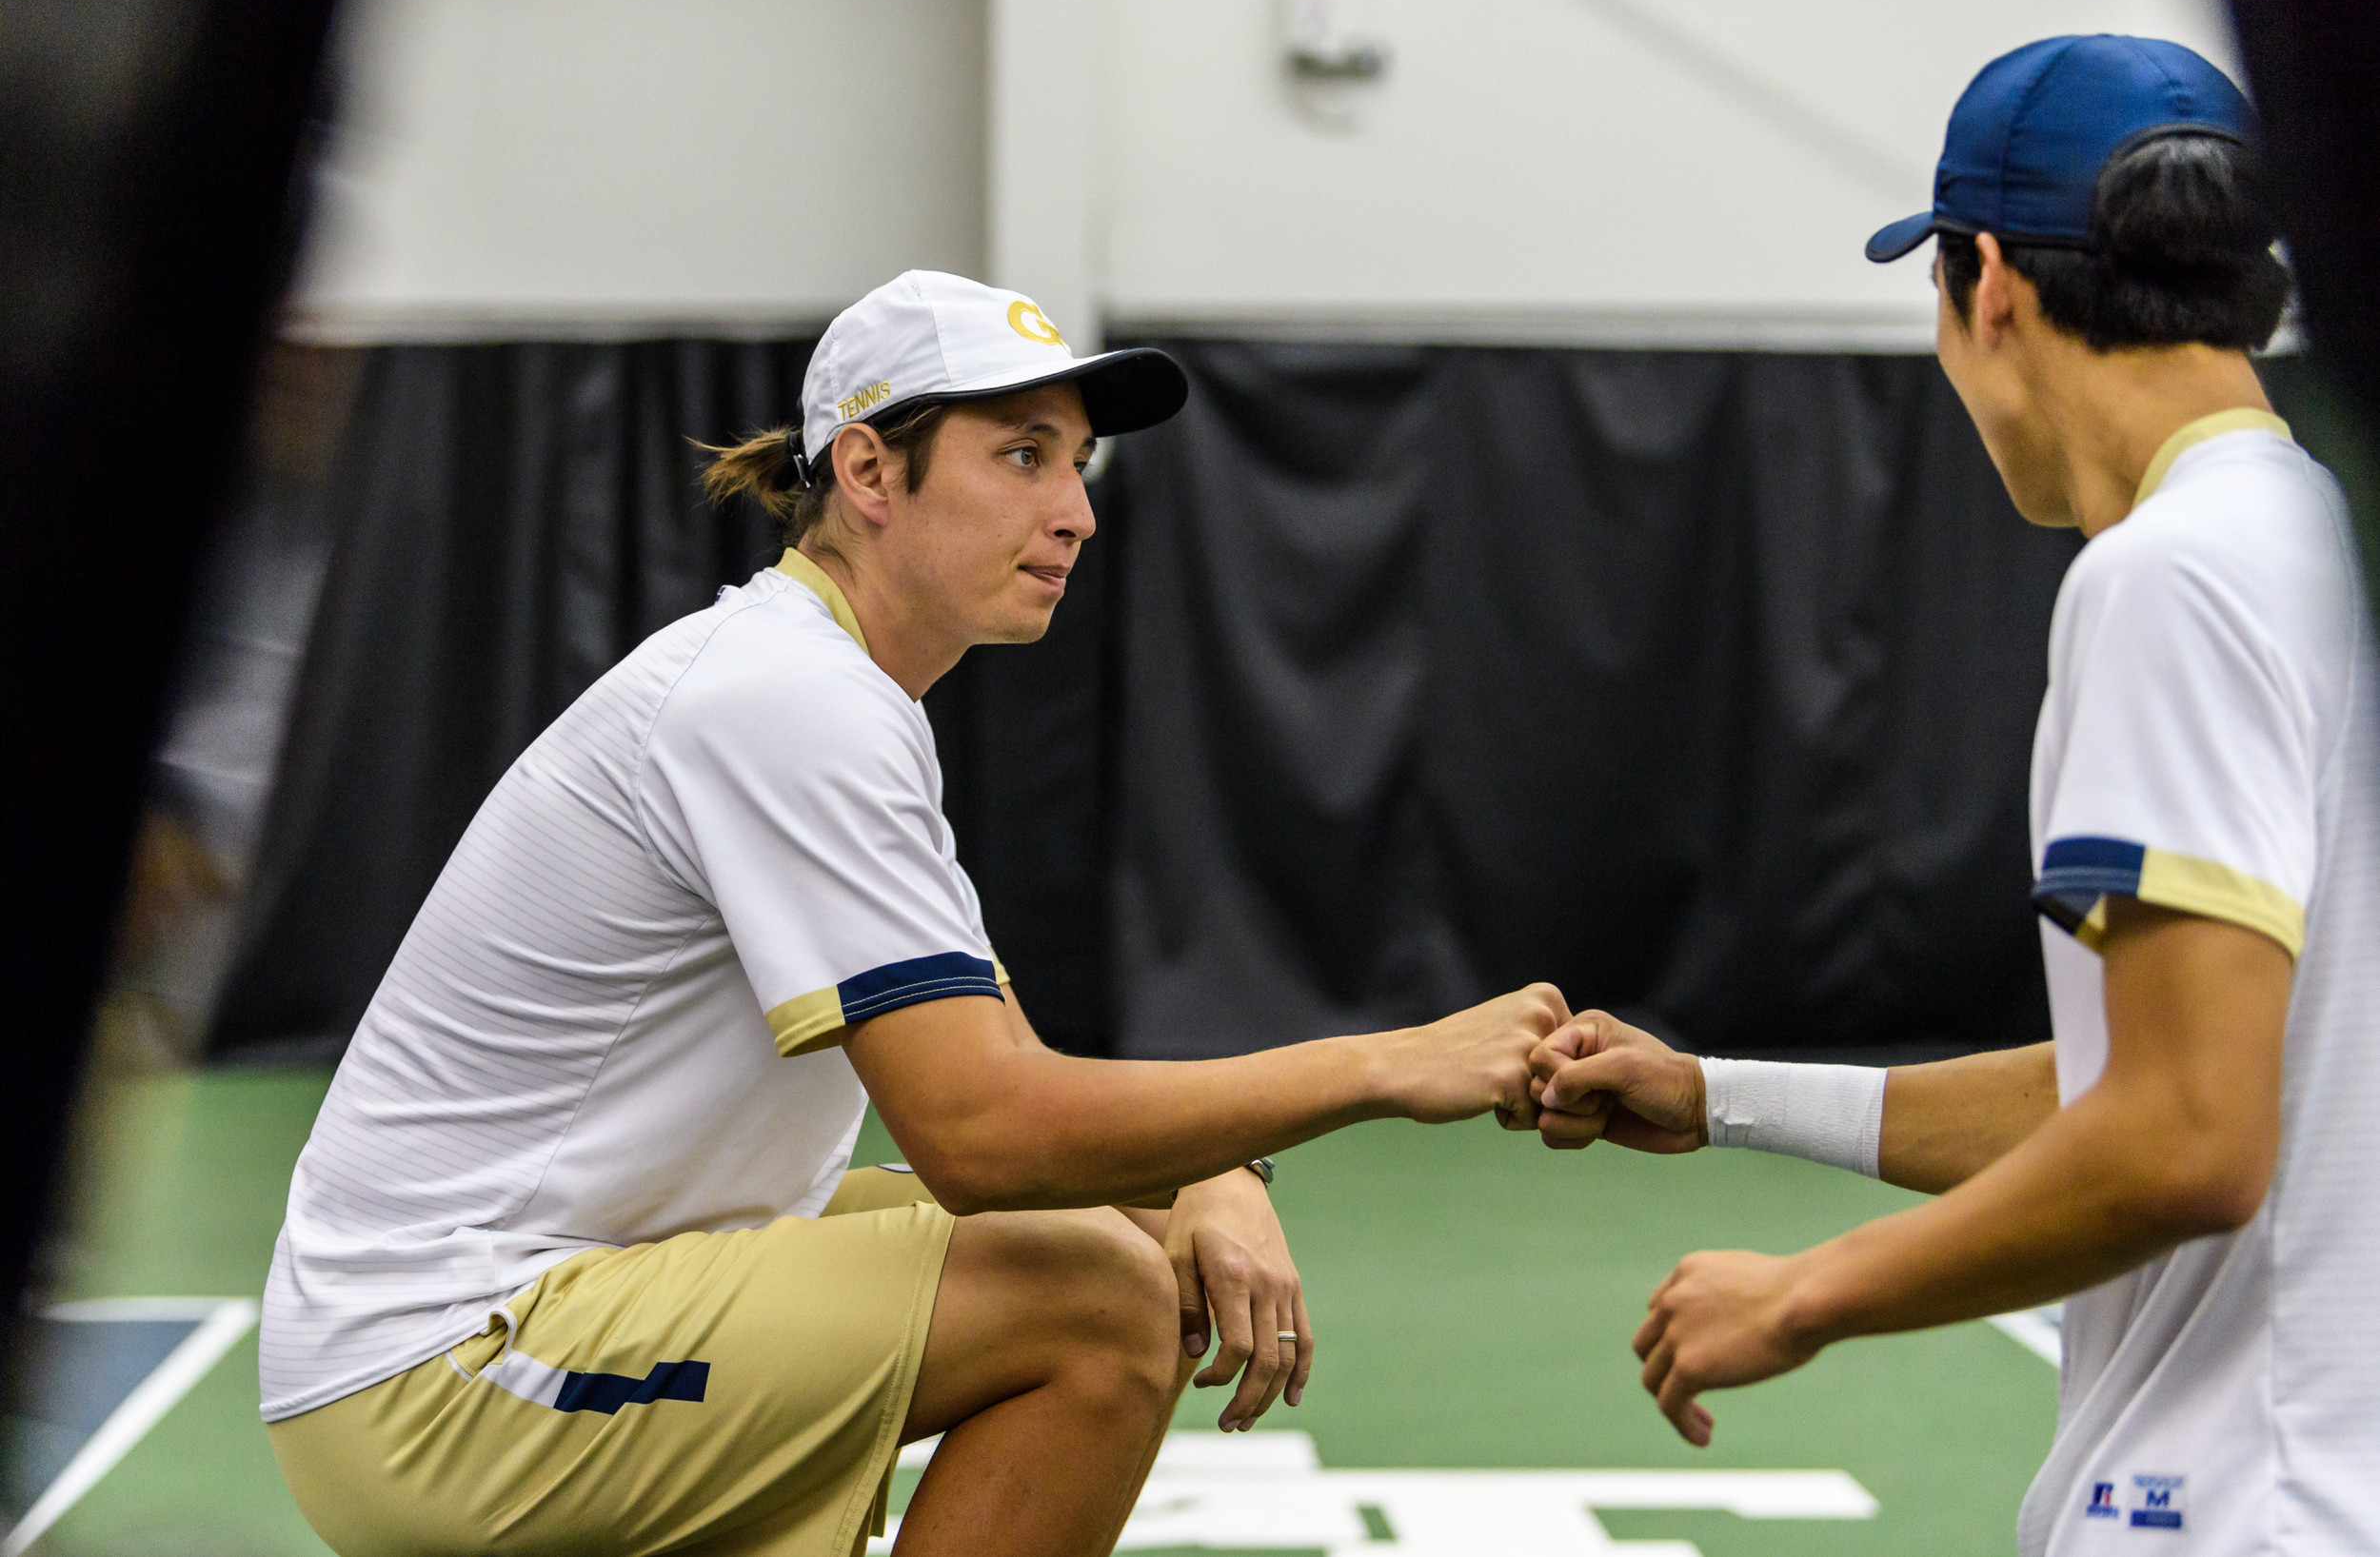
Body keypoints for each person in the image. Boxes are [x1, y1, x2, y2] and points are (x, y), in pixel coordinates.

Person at [262, 269, 1566, 1557]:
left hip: (532, 1298)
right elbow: (982, 1136)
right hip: (443, 1365)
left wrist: (1205, 1182)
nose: (1077, 513)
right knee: (1095, 1299)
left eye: (1077, 465)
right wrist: (1387, 1064)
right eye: (1023, 455)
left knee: (1109, 1234)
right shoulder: (793, 700)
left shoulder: (822, 684)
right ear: (871, 473)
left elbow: (1011, 1070)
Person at [1529, 36, 2378, 1555]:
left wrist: (1810, 1289)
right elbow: (2147, 1078)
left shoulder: (2170, 577)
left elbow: (2188, 1135)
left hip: (2235, 1511)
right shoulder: (2316, 539)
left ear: (1985, 281)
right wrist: (1719, 1094)